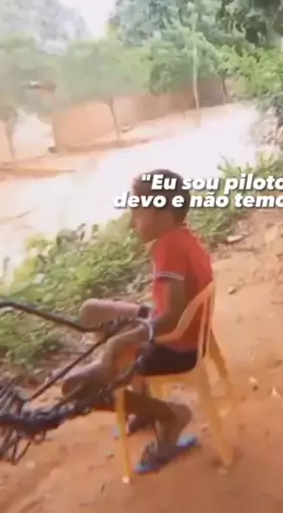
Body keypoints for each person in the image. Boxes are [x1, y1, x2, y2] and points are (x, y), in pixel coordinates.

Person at [62, 168, 214, 464]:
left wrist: (121, 342)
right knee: (92, 311)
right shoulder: (179, 236)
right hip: (179, 329)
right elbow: (171, 309)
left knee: (76, 388)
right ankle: (138, 394)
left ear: (164, 216)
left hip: (176, 345)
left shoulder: (169, 248)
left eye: (138, 212)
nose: (133, 222)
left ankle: (170, 415)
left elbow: (173, 316)